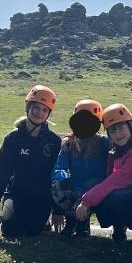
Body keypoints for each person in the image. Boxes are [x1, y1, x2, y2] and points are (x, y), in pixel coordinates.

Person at [0, 85, 60, 238]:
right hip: (16, 193)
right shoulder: (12, 138)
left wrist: (58, 210)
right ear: (28, 107)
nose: (39, 113)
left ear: (48, 113)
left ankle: (42, 221)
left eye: (44, 110)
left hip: (41, 196)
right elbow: (1, 173)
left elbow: (57, 177)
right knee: (10, 232)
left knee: (31, 231)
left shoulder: (54, 141)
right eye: (36, 108)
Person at [77, 103, 132, 244]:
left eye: (121, 128)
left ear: (129, 127)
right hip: (130, 193)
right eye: (112, 130)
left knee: (113, 195)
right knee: (94, 185)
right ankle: (118, 227)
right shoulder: (118, 150)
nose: (118, 134)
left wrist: (86, 201)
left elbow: (117, 180)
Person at [51, 99, 109, 237]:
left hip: (96, 189)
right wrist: (62, 178)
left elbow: (131, 133)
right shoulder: (69, 145)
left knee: (91, 185)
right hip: (75, 187)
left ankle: (83, 222)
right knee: (58, 186)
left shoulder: (104, 142)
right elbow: (59, 167)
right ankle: (71, 221)